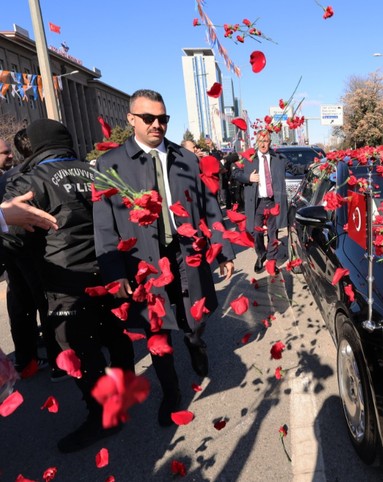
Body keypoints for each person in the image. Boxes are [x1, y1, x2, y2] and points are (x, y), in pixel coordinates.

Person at [94, 89, 235, 427]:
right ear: (131, 120)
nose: (157, 124)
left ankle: (195, 341)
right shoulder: (110, 164)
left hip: (186, 255)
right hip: (143, 264)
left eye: (163, 119)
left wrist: (223, 250)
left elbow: (209, 207)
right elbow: (104, 226)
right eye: (149, 118)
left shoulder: (185, 159)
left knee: (192, 317)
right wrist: (114, 272)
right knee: (157, 330)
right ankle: (171, 391)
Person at [3, 119, 135, 452]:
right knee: (115, 336)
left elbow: (15, 238)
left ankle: (104, 416)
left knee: (78, 350)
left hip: (65, 282)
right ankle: (122, 396)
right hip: (107, 270)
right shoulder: (99, 173)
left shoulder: (28, 181)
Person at [0, 129, 64, 381]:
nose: (9, 156)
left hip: (11, 252)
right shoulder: (24, 177)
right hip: (26, 250)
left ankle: (27, 359)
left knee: (20, 305)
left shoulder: (10, 176)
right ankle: (56, 362)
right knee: (42, 302)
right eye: (4, 153)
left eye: (9, 151)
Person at [233, 130, 301, 274]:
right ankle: (261, 255)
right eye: (260, 141)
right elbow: (235, 173)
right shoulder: (249, 159)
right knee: (256, 232)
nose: (263, 144)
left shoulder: (279, 158)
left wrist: (311, 168)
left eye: (266, 141)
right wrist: (248, 178)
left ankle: (271, 261)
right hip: (257, 202)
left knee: (272, 233)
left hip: (273, 201)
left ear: (270, 142)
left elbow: (294, 169)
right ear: (256, 142)